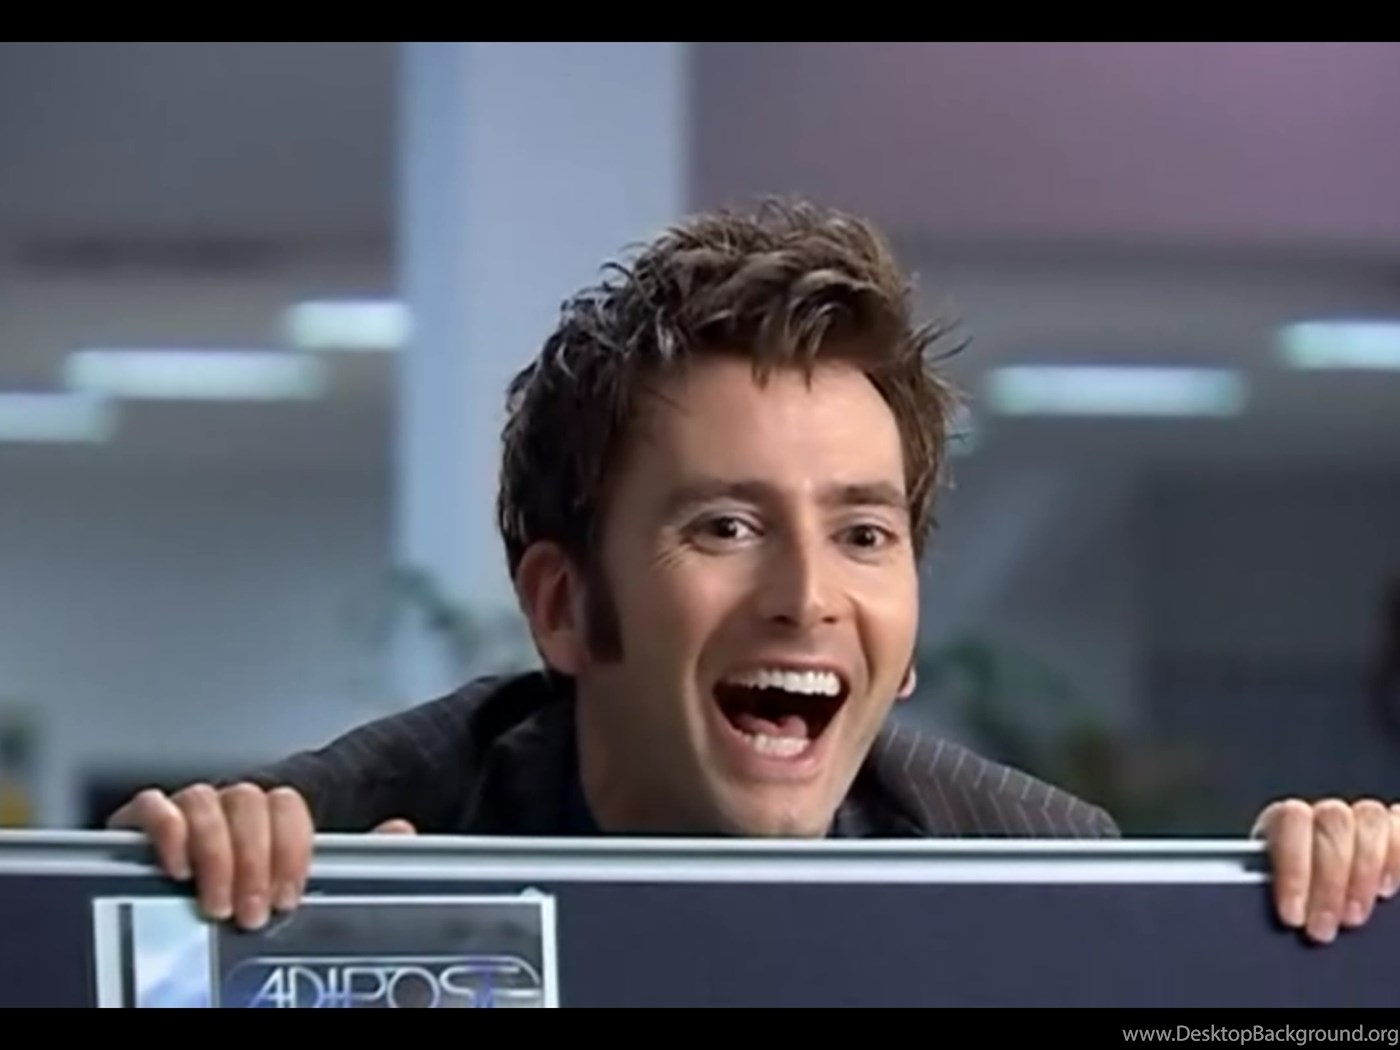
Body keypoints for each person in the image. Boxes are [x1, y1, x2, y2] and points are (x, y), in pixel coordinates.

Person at [109, 199, 1400, 948]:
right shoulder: (354, 843)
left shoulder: (1037, 875)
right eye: (726, 527)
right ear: (564, 607)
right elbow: (104, 940)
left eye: (864, 534)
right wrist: (168, 902)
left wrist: (1306, 936)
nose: (808, 596)